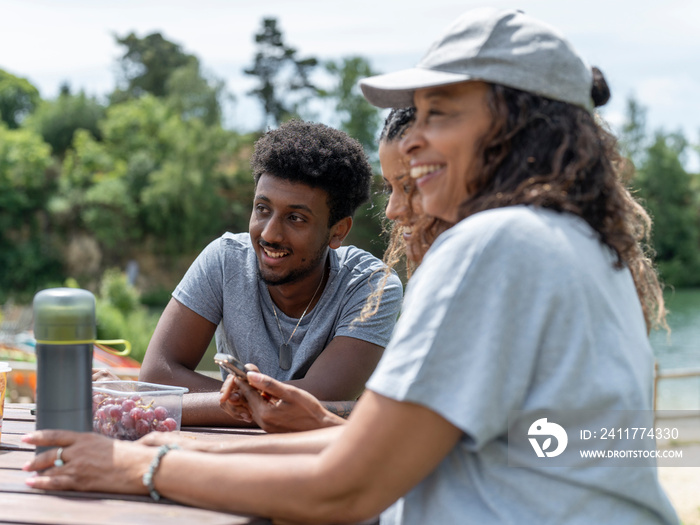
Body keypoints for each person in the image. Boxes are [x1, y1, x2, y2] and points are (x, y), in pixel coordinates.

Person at [24, 9, 678, 524]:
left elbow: (352, 484)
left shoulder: (495, 243)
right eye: (415, 114)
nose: (414, 137)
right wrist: (151, 450)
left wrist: (135, 467)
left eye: (441, 112)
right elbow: (371, 449)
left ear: (521, 126)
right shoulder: (584, 246)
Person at [137, 119, 403, 426]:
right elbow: (156, 378)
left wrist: (217, 401)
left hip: (320, 462)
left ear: (338, 231)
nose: (270, 233)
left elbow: (309, 404)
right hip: (228, 453)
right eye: (262, 209)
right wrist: (248, 401)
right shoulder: (225, 261)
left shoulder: (371, 286)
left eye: (296, 218)